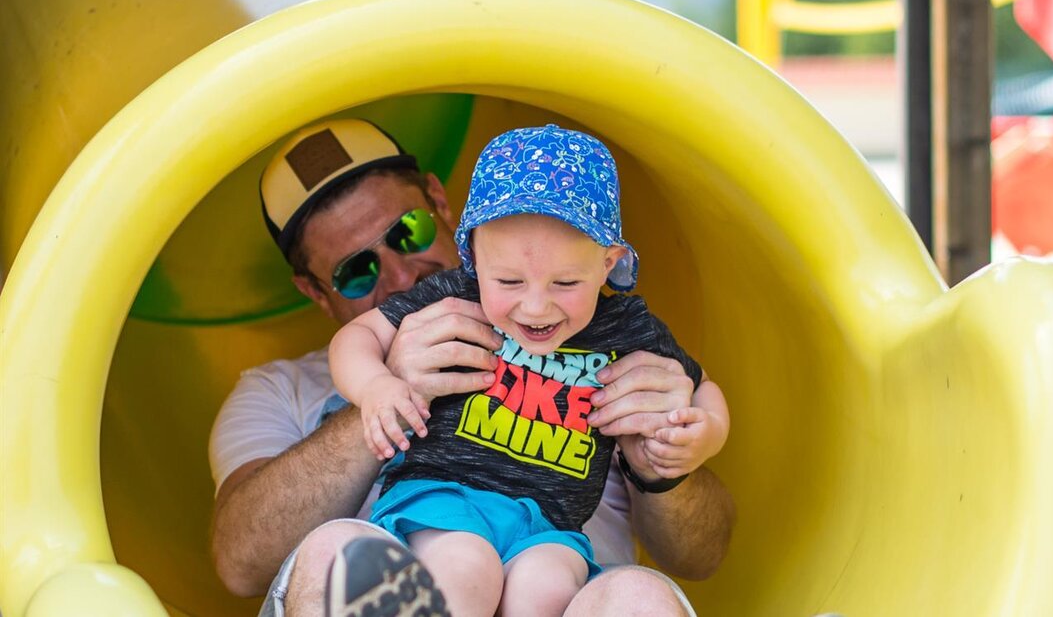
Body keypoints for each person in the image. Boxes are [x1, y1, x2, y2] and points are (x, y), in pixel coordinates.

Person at [208, 118, 736, 617]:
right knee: (342, 555)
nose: (399, 275)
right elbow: (238, 562)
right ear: (315, 292)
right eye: (356, 271)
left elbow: (703, 557)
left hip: (564, 571)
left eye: (407, 232)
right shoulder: (280, 390)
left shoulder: (612, 341)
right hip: (427, 550)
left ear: (441, 205)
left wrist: (669, 457)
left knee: (636, 597)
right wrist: (384, 388)